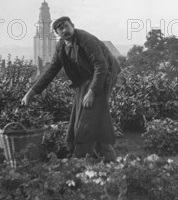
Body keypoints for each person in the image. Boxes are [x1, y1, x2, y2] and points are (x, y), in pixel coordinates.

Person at [21, 17, 120, 162]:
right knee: (85, 116)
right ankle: (108, 160)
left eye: (66, 26)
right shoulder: (61, 46)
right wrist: (31, 93)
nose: (64, 30)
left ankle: (80, 160)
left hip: (105, 75)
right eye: (60, 29)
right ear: (56, 32)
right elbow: (51, 70)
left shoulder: (86, 39)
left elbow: (101, 66)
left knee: (87, 117)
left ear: (73, 26)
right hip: (86, 79)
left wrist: (92, 92)